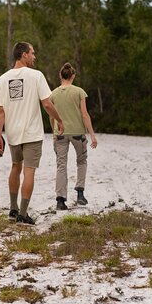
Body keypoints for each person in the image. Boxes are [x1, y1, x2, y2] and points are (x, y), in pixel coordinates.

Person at [0, 42, 64, 226]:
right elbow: (47, 104)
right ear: (24, 55)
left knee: (15, 167)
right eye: (32, 53)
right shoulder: (36, 76)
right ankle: (23, 214)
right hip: (32, 133)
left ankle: (12, 209)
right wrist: (60, 120)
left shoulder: (2, 79)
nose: (34, 57)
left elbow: (0, 111)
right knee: (29, 171)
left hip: (12, 132)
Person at [49, 62, 98, 210]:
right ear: (73, 76)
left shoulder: (53, 94)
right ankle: (80, 193)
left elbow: (51, 116)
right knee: (82, 161)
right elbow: (84, 114)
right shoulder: (79, 92)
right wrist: (92, 135)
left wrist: (54, 132)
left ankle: (60, 199)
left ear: (60, 75)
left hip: (61, 133)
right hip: (77, 133)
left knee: (61, 165)